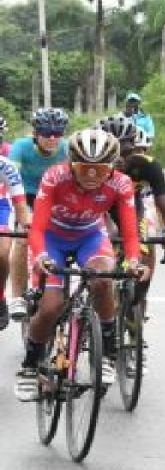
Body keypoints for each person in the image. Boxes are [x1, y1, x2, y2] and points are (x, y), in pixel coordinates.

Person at [14, 130, 148, 401]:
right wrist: (40, 256)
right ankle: (29, 366)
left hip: (90, 236)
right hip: (52, 238)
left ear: (111, 167)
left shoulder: (121, 184)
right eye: (84, 167)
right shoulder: (54, 176)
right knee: (51, 306)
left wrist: (133, 260)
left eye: (99, 169)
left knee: (102, 280)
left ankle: (109, 353)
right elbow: (37, 228)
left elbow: (130, 231)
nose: (91, 175)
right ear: (71, 164)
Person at [96, 115, 165, 306]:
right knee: (104, 246)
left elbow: (164, 202)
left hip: (131, 209)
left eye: (124, 147)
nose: (118, 155)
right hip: (98, 210)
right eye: (111, 148)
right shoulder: (91, 167)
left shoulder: (147, 165)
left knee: (145, 245)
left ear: (134, 145)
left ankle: (138, 301)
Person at [8, 108, 69, 323]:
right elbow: (10, 177)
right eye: (46, 133)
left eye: (58, 133)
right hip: (25, 197)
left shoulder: (67, 148)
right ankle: (17, 297)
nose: (53, 138)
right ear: (35, 133)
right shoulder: (21, 147)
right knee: (24, 239)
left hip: (54, 198)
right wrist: (23, 213)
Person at [0, 131, 30, 331]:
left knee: (2, 252)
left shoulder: (6, 165)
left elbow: (20, 205)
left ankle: (0, 297)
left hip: (1, 205)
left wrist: (25, 228)